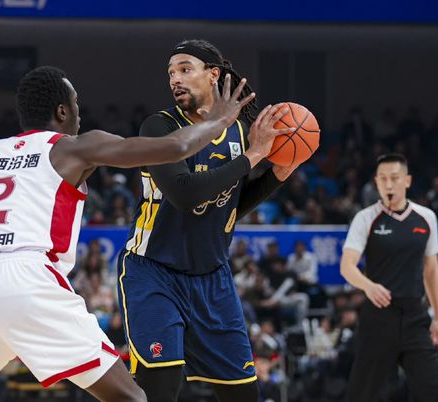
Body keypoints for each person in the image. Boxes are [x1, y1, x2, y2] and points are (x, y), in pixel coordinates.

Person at [0, 65, 260, 402]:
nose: (79, 113)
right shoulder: (72, 147)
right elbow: (175, 147)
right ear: (62, 111)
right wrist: (221, 120)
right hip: (27, 278)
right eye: (76, 103)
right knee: (131, 398)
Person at [118, 39, 309, 402]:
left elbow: (231, 205)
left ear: (213, 75)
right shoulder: (159, 127)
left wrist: (279, 174)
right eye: (171, 73)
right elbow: (185, 194)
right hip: (154, 271)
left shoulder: (237, 131)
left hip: (212, 277)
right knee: (161, 386)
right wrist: (255, 155)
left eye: (185, 69)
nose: (175, 79)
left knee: (243, 394)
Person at [340, 153, 438, 401]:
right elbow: (347, 266)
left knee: (433, 391)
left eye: (394, 178)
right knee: (361, 394)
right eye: (382, 179)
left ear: (407, 181)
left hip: (414, 316)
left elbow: (431, 270)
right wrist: (368, 286)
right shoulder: (365, 218)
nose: (388, 184)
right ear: (376, 182)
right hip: (378, 317)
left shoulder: (426, 217)